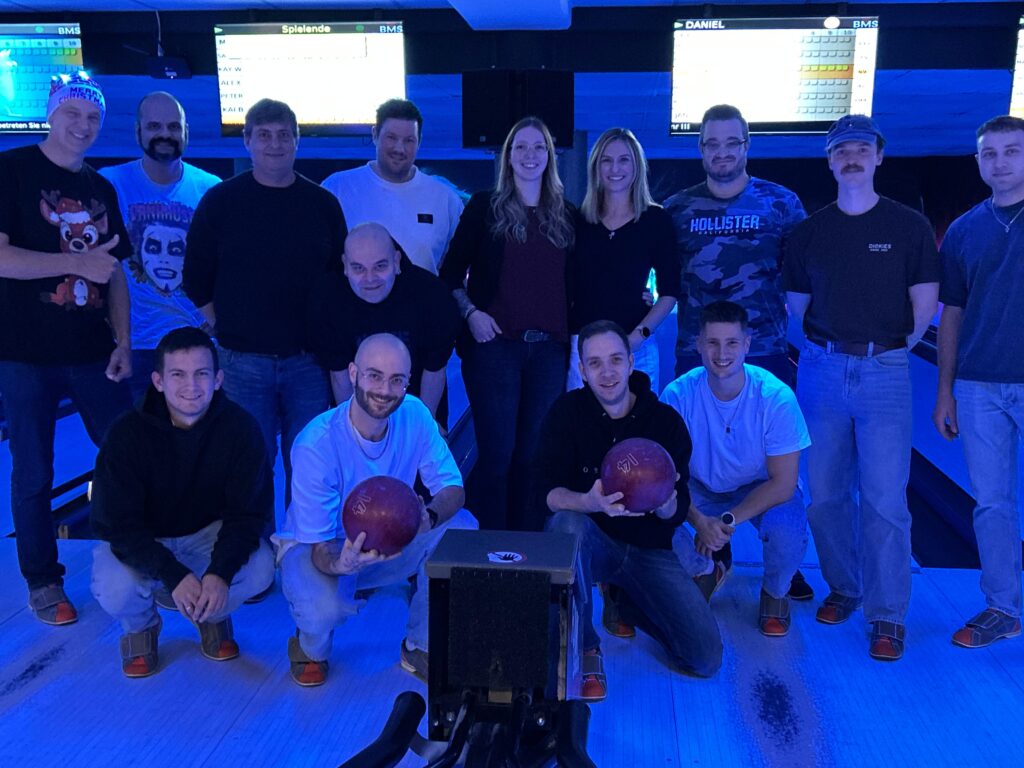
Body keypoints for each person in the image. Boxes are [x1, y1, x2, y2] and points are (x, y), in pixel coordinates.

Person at [783, 114, 940, 661]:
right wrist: (833, 353)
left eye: (861, 148)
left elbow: (924, 306)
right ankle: (845, 586)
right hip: (822, 370)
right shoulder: (809, 232)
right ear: (830, 161)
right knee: (824, 495)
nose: (852, 157)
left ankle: (887, 612)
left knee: (885, 499)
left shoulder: (909, 227)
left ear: (878, 157)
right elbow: (797, 309)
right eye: (841, 150)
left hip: (884, 372)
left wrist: (883, 352)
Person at [0, 71, 133, 625]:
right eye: (73, 113)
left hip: (92, 350)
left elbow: (114, 274)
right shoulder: (11, 171)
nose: (83, 125)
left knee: (126, 456)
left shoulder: (101, 189)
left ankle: (134, 557)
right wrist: (74, 261)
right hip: (23, 354)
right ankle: (43, 581)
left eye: (93, 117)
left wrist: (123, 340)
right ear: (51, 115)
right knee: (33, 472)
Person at [275, 333, 477, 687]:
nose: (385, 390)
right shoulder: (315, 444)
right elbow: (320, 549)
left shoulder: (415, 414)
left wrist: (428, 517)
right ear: (353, 373)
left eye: (397, 379)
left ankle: (420, 646)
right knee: (323, 610)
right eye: (374, 376)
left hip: (389, 541)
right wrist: (341, 564)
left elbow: (452, 489)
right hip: (321, 548)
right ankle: (309, 645)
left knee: (462, 530)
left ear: (408, 382)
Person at [538, 320, 722, 702]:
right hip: (592, 546)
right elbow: (547, 495)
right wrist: (588, 502)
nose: (607, 372)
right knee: (566, 525)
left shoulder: (665, 422)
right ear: (582, 370)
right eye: (595, 363)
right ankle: (586, 646)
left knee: (705, 659)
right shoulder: (566, 414)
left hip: (650, 551)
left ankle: (627, 602)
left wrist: (666, 502)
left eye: (615, 360)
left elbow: (678, 508)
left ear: (631, 362)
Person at [183, 98, 347, 516]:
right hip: (242, 362)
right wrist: (224, 325)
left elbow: (338, 280)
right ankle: (255, 546)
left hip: (309, 362)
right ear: (247, 141)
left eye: (283, 135)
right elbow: (195, 275)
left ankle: (301, 544)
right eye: (264, 135)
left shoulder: (322, 204)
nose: (275, 144)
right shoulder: (221, 201)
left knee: (308, 464)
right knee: (251, 464)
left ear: (297, 140)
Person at [90, 327, 275, 677]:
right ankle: (142, 628)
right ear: (158, 381)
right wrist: (172, 575)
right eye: (178, 374)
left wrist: (219, 573)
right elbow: (116, 523)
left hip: (206, 535)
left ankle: (211, 614)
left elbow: (248, 515)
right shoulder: (126, 434)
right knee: (114, 588)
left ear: (218, 379)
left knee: (262, 567)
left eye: (201, 373)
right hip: (145, 538)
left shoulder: (241, 429)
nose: (191, 385)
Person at [440, 116, 575, 532]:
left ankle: (527, 550)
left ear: (549, 156)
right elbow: (449, 275)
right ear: (508, 157)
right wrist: (472, 313)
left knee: (534, 457)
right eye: (521, 147)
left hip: (549, 352)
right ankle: (493, 549)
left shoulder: (567, 215)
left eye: (538, 147)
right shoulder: (484, 208)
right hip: (495, 349)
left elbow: (585, 281)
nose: (530, 155)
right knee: (497, 455)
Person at [661, 301, 810, 637]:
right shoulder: (677, 395)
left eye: (731, 343)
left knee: (787, 527)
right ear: (698, 345)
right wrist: (700, 521)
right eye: (712, 342)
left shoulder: (776, 397)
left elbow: (784, 483)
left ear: (747, 344)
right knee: (652, 514)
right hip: (698, 486)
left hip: (758, 486)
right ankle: (704, 569)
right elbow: (665, 478)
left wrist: (725, 522)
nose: (721, 353)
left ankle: (775, 592)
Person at [934, 115, 1024, 648]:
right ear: (978, 162)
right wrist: (945, 389)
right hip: (978, 386)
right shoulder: (965, 230)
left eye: (1012, 151)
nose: (1000, 162)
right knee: (991, 503)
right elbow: (952, 314)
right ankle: (1003, 608)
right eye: (990, 154)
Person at [664, 104, 806, 384]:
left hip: (764, 349)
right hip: (698, 352)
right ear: (701, 147)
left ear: (746, 145)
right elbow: (660, 273)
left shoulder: (781, 203)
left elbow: (804, 275)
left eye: (731, 143)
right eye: (713, 144)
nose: (722, 152)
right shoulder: (676, 209)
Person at [100, 92, 220, 401]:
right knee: (142, 431)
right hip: (134, 345)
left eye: (173, 127)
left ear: (186, 132)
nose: (165, 134)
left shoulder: (211, 189)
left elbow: (226, 265)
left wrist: (218, 321)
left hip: (196, 341)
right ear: (138, 131)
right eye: (154, 126)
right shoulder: (109, 184)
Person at [306, 222, 459, 421]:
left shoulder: (432, 296)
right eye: (358, 268)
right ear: (345, 266)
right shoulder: (327, 300)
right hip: (358, 404)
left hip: (417, 402)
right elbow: (340, 375)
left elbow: (434, 368)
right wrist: (353, 429)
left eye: (380, 266)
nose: (370, 279)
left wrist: (424, 424)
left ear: (396, 261)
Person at [569, 127, 679, 393]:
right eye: (606, 160)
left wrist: (638, 336)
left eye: (623, 160)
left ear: (636, 166)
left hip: (635, 347)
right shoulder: (577, 221)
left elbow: (670, 291)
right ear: (596, 167)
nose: (614, 168)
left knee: (638, 420)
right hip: (583, 348)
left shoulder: (656, 220)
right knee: (581, 419)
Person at [321, 98, 464, 274]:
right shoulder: (337, 188)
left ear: (419, 141)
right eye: (391, 137)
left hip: (423, 292)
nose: (399, 148)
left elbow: (455, 267)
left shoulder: (446, 199)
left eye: (409, 140)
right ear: (375, 134)